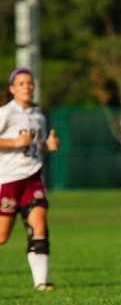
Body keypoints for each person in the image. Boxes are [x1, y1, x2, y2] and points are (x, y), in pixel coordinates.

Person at [0, 67, 59, 291]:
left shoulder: (37, 116)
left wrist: (47, 146)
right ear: (13, 88)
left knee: (39, 226)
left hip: (33, 177)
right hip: (8, 180)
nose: (27, 87)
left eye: (29, 83)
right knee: (2, 236)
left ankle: (41, 282)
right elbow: (14, 143)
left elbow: (37, 147)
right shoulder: (6, 113)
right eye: (22, 83)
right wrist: (14, 143)